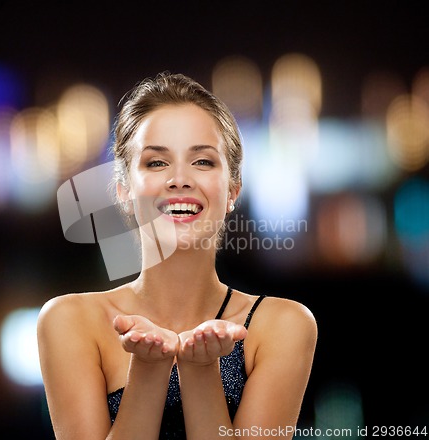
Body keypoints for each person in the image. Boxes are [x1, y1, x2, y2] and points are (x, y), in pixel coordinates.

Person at [37, 72, 318, 439]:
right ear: (123, 190)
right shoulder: (69, 321)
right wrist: (148, 369)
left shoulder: (281, 325)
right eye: (156, 163)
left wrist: (200, 369)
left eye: (202, 162)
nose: (180, 179)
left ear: (233, 190)